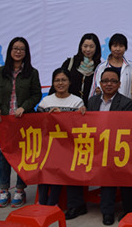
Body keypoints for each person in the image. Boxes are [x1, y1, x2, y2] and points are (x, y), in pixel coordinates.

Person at [0, 37, 42, 208]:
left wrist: (24, 107)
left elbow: (36, 94)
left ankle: (19, 189)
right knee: (3, 156)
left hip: (22, 122)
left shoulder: (32, 73)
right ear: (10, 51)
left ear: (26, 53)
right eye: (15, 48)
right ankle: (4, 190)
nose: (18, 51)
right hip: (3, 122)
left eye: (22, 49)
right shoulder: (0, 72)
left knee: (21, 157)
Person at [82, 68, 132, 225]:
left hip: (118, 149)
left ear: (119, 84)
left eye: (113, 81)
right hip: (96, 148)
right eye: (105, 81)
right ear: (100, 83)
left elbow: (125, 129)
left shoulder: (126, 102)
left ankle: (116, 210)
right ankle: (102, 210)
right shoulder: (92, 101)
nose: (109, 84)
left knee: (112, 170)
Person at [37, 68, 86, 206]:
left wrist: (65, 117)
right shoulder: (45, 101)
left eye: (64, 80)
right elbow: (38, 125)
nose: (60, 83)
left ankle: (52, 203)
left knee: (59, 164)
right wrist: (49, 118)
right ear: (53, 83)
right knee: (45, 166)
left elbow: (78, 127)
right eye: (57, 80)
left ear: (69, 82)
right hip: (48, 146)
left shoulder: (77, 102)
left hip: (68, 147)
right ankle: (42, 201)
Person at [58, 33, 102, 102]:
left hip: (89, 106)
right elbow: (58, 83)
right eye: (85, 46)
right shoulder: (69, 63)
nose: (88, 49)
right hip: (68, 105)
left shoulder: (100, 67)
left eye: (91, 47)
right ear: (81, 46)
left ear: (97, 48)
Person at [90, 33, 132, 99]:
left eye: (121, 46)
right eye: (115, 46)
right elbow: (94, 89)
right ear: (110, 47)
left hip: (126, 104)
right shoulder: (101, 67)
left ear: (125, 48)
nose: (118, 49)